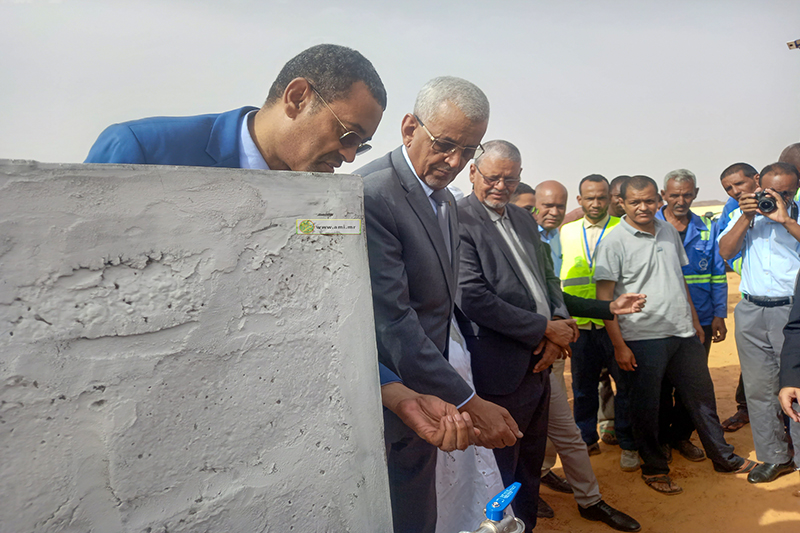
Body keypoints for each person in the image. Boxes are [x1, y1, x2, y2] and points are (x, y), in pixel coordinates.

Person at [357, 77, 522, 533]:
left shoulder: (444, 197)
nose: (454, 161)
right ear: (409, 127)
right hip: (394, 395)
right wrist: (467, 399)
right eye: (445, 144)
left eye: (468, 151)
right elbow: (392, 320)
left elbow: (438, 306)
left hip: (432, 386)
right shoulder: (372, 194)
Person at [457, 141, 641, 532]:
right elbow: (472, 297)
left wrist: (557, 329)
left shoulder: (524, 220)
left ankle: (524, 525)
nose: (501, 186)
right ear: (473, 173)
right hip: (499, 368)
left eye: (511, 178)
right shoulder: (457, 221)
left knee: (530, 461)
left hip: (541, 363)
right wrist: (543, 329)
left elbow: (548, 283)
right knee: (499, 467)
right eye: (493, 177)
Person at [595, 175, 755, 495]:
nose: (644, 207)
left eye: (649, 200)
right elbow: (604, 300)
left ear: (659, 200)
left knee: (701, 398)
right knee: (647, 406)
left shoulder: (667, 230)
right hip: (642, 337)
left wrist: (694, 320)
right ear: (623, 204)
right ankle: (654, 468)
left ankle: (722, 457)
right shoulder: (613, 241)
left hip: (682, 333)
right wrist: (619, 345)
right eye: (635, 201)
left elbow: (678, 279)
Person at [85, 44, 385, 173]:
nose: (348, 157)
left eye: (360, 146)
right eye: (348, 135)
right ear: (297, 99)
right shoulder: (142, 149)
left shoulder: (323, 202)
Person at [718, 162, 800, 483]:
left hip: (793, 311)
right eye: (771, 192)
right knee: (758, 388)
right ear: (758, 184)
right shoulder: (741, 213)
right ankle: (773, 456)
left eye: (787, 192)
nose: (778, 197)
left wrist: (786, 219)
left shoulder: (794, 213)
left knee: (797, 386)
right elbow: (725, 250)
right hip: (752, 311)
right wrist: (747, 216)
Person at [559, 175, 636, 469]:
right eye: (589, 198)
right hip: (579, 324)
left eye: (601, 197)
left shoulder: (624, 228)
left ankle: (628, 443)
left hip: (615, 324)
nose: (596, 203)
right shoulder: (566, 231)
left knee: (625, 384)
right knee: (582, 387)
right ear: (580, 201)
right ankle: (586, 439)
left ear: (611, 199)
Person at [655, 169, 728, 462]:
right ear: (664, 195)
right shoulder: (651, 225)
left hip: (702, 320)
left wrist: (720, 315)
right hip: (662, 320)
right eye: (674, 195)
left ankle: (681, 437)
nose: (681, 200)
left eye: (687, 194)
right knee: (661, 384)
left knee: (693, 383)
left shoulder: (707, 229)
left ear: (695, 194)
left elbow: (717, 275)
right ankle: (661, 439)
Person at [716, 163, 760, 432]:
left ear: (756, 179)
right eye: (728, 188)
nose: (734, 191)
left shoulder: (786, 199)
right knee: (755, 360)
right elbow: (725, 248)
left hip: (789, 294)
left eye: (739, 185)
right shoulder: (731, 209)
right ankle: (746, 409)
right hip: (753, 295)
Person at [533, 181, 568, 274]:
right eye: (548, 206)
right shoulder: (526, 236)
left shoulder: (556, 235)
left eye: (560, 207)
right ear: (534, 205)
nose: (554, 212)